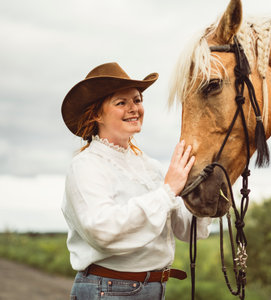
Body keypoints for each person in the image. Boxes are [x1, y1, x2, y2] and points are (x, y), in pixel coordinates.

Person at [61, 62, 211, 300]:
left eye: (138, 100)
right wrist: (168, 191)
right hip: (107, 289)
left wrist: (207, 189)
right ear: (97, 114)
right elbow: (102, 230)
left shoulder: (150, 167)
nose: (134, 108)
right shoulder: (86, 165)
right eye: (121, 102)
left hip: (154, 290)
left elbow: (186, 229)